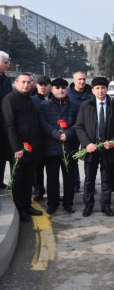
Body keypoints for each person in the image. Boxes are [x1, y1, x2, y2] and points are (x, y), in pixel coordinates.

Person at [75, 77, 114, 217]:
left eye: (103, 88)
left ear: (107, 89)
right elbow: (79, 126)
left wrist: (113, 141)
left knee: (106, 179)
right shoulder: (85, 105)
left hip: (107, 148)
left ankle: (105, 206)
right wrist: (87, 144)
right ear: (93, 90)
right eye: (97, 88)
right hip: (91, 148)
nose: (100, 90)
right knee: (89, 179)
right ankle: (88, 206)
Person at [1, 73, 42, 222]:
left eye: (29, 82)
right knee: (18, 180)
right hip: (18, 149)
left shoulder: (29, 99)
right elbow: (9, 126)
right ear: (16, 83)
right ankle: (20, 209)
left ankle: (27, 205)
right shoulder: (9, 100)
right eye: (23, 82)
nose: (26, 85)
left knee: (28, 179)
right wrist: (16, 148)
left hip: (31, 148)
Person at [39, 78, 80, 214]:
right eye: (57, 88)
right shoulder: (44, 105)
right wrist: (56, 134)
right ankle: (52, 203)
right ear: (52, 89)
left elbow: (78, 123)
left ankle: (68, 203)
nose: (61, 90)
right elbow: (43, 122)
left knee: (69, 178)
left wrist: (68, 134)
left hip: (68, 146)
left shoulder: (74, 106)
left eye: (63, 88)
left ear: (67, 89)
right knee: (52, 178)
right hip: (51, 147)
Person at [67, 71, 92, 193]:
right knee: (73, 158)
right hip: (72, 129)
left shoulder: (91, 93)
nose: (81, 82)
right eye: (79, 79)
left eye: (83, 79)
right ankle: (75, 182)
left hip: (88, 131)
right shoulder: (68, 93)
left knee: (89, 159)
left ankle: (90, 184)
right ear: (74, 80)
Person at [31, 75, 52, 201]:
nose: (43, 87)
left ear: (50, 86)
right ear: (37, 85)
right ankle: (38, 190)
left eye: (46, 85)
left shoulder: (54, 98)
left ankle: (52, 191)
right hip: (37, 140)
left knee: (51, 169)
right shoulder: (32, 100)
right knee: (37, 168)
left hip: (51, 139)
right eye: (41, 84)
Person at [0, 51, 12, 190]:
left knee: (3, 155)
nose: (8, 65)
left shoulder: (6, 80)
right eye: (5, 62)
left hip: (4, 124)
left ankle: (0, 180)